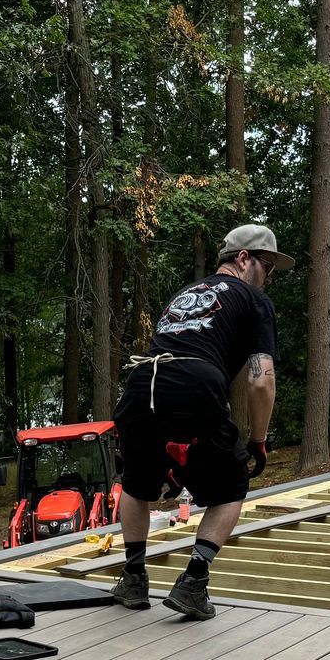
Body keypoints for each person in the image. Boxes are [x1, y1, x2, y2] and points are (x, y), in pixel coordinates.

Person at [110, 223, 288, 619]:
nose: (269, 277)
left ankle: (134, 577)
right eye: (267, 266)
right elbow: (262, 381)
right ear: (243, 259)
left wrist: (172, 461)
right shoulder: (254, 300)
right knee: (231, 486)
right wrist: (258, 440)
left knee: (137, 485)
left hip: (142, 385)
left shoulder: (185, 294)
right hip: (193, 382)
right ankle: (193, 582)